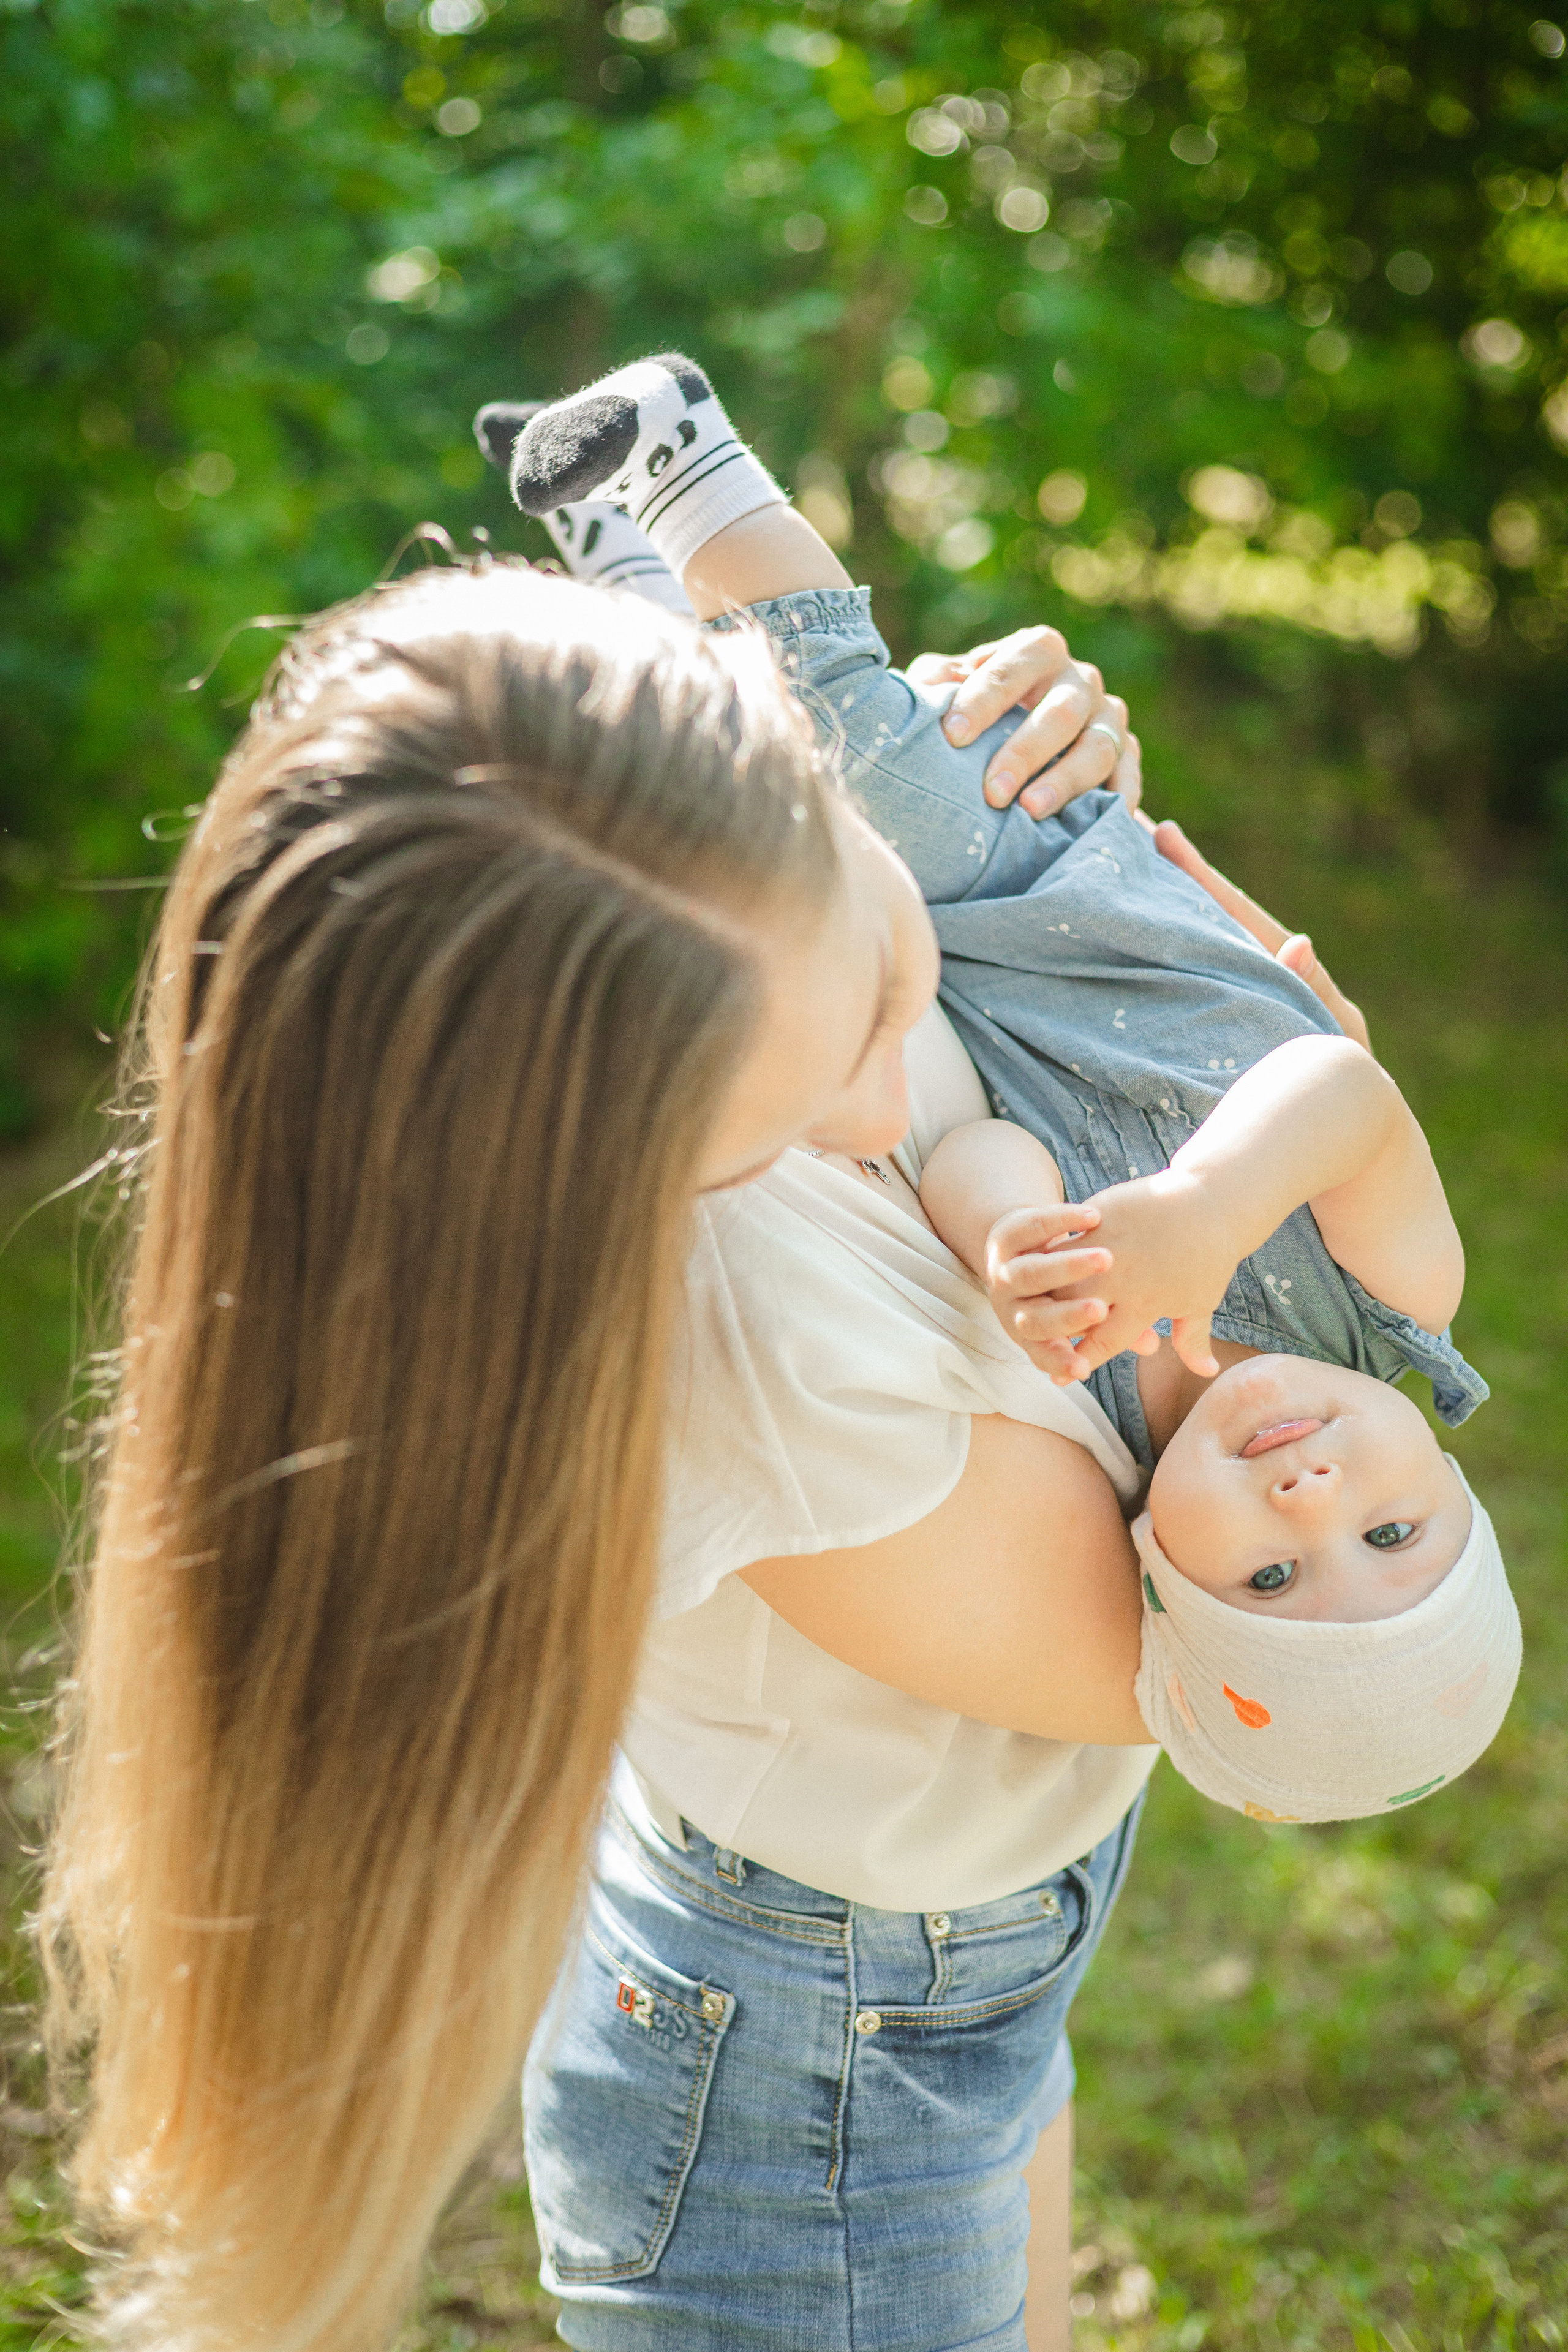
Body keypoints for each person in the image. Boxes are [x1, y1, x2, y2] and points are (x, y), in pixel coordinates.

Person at [478, 360, 1510, 2346]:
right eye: (1404, 1533)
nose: (1318, 1500)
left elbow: (956, 1141)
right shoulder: (1389, 1318)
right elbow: (1334, 1083)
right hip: (1095, 936)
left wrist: (1010, 1230)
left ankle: (620, 570)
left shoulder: (1078, 1430)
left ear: (1171, 1606)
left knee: (840, 760)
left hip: (855, 1967)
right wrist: (1215, 1198)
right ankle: (680, 476)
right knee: (867, 734)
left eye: (1281, 1582)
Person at [41, 537, 1152, 2352]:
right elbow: (1165, 1644)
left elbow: (1003, 1038)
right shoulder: (748, 1351)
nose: (889, 1100)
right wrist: (1273, 1102)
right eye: (776, 1134)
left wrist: (1057, 850)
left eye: (883, 983)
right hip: (826, 2055)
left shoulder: (730, 896)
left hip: (965, 1917)